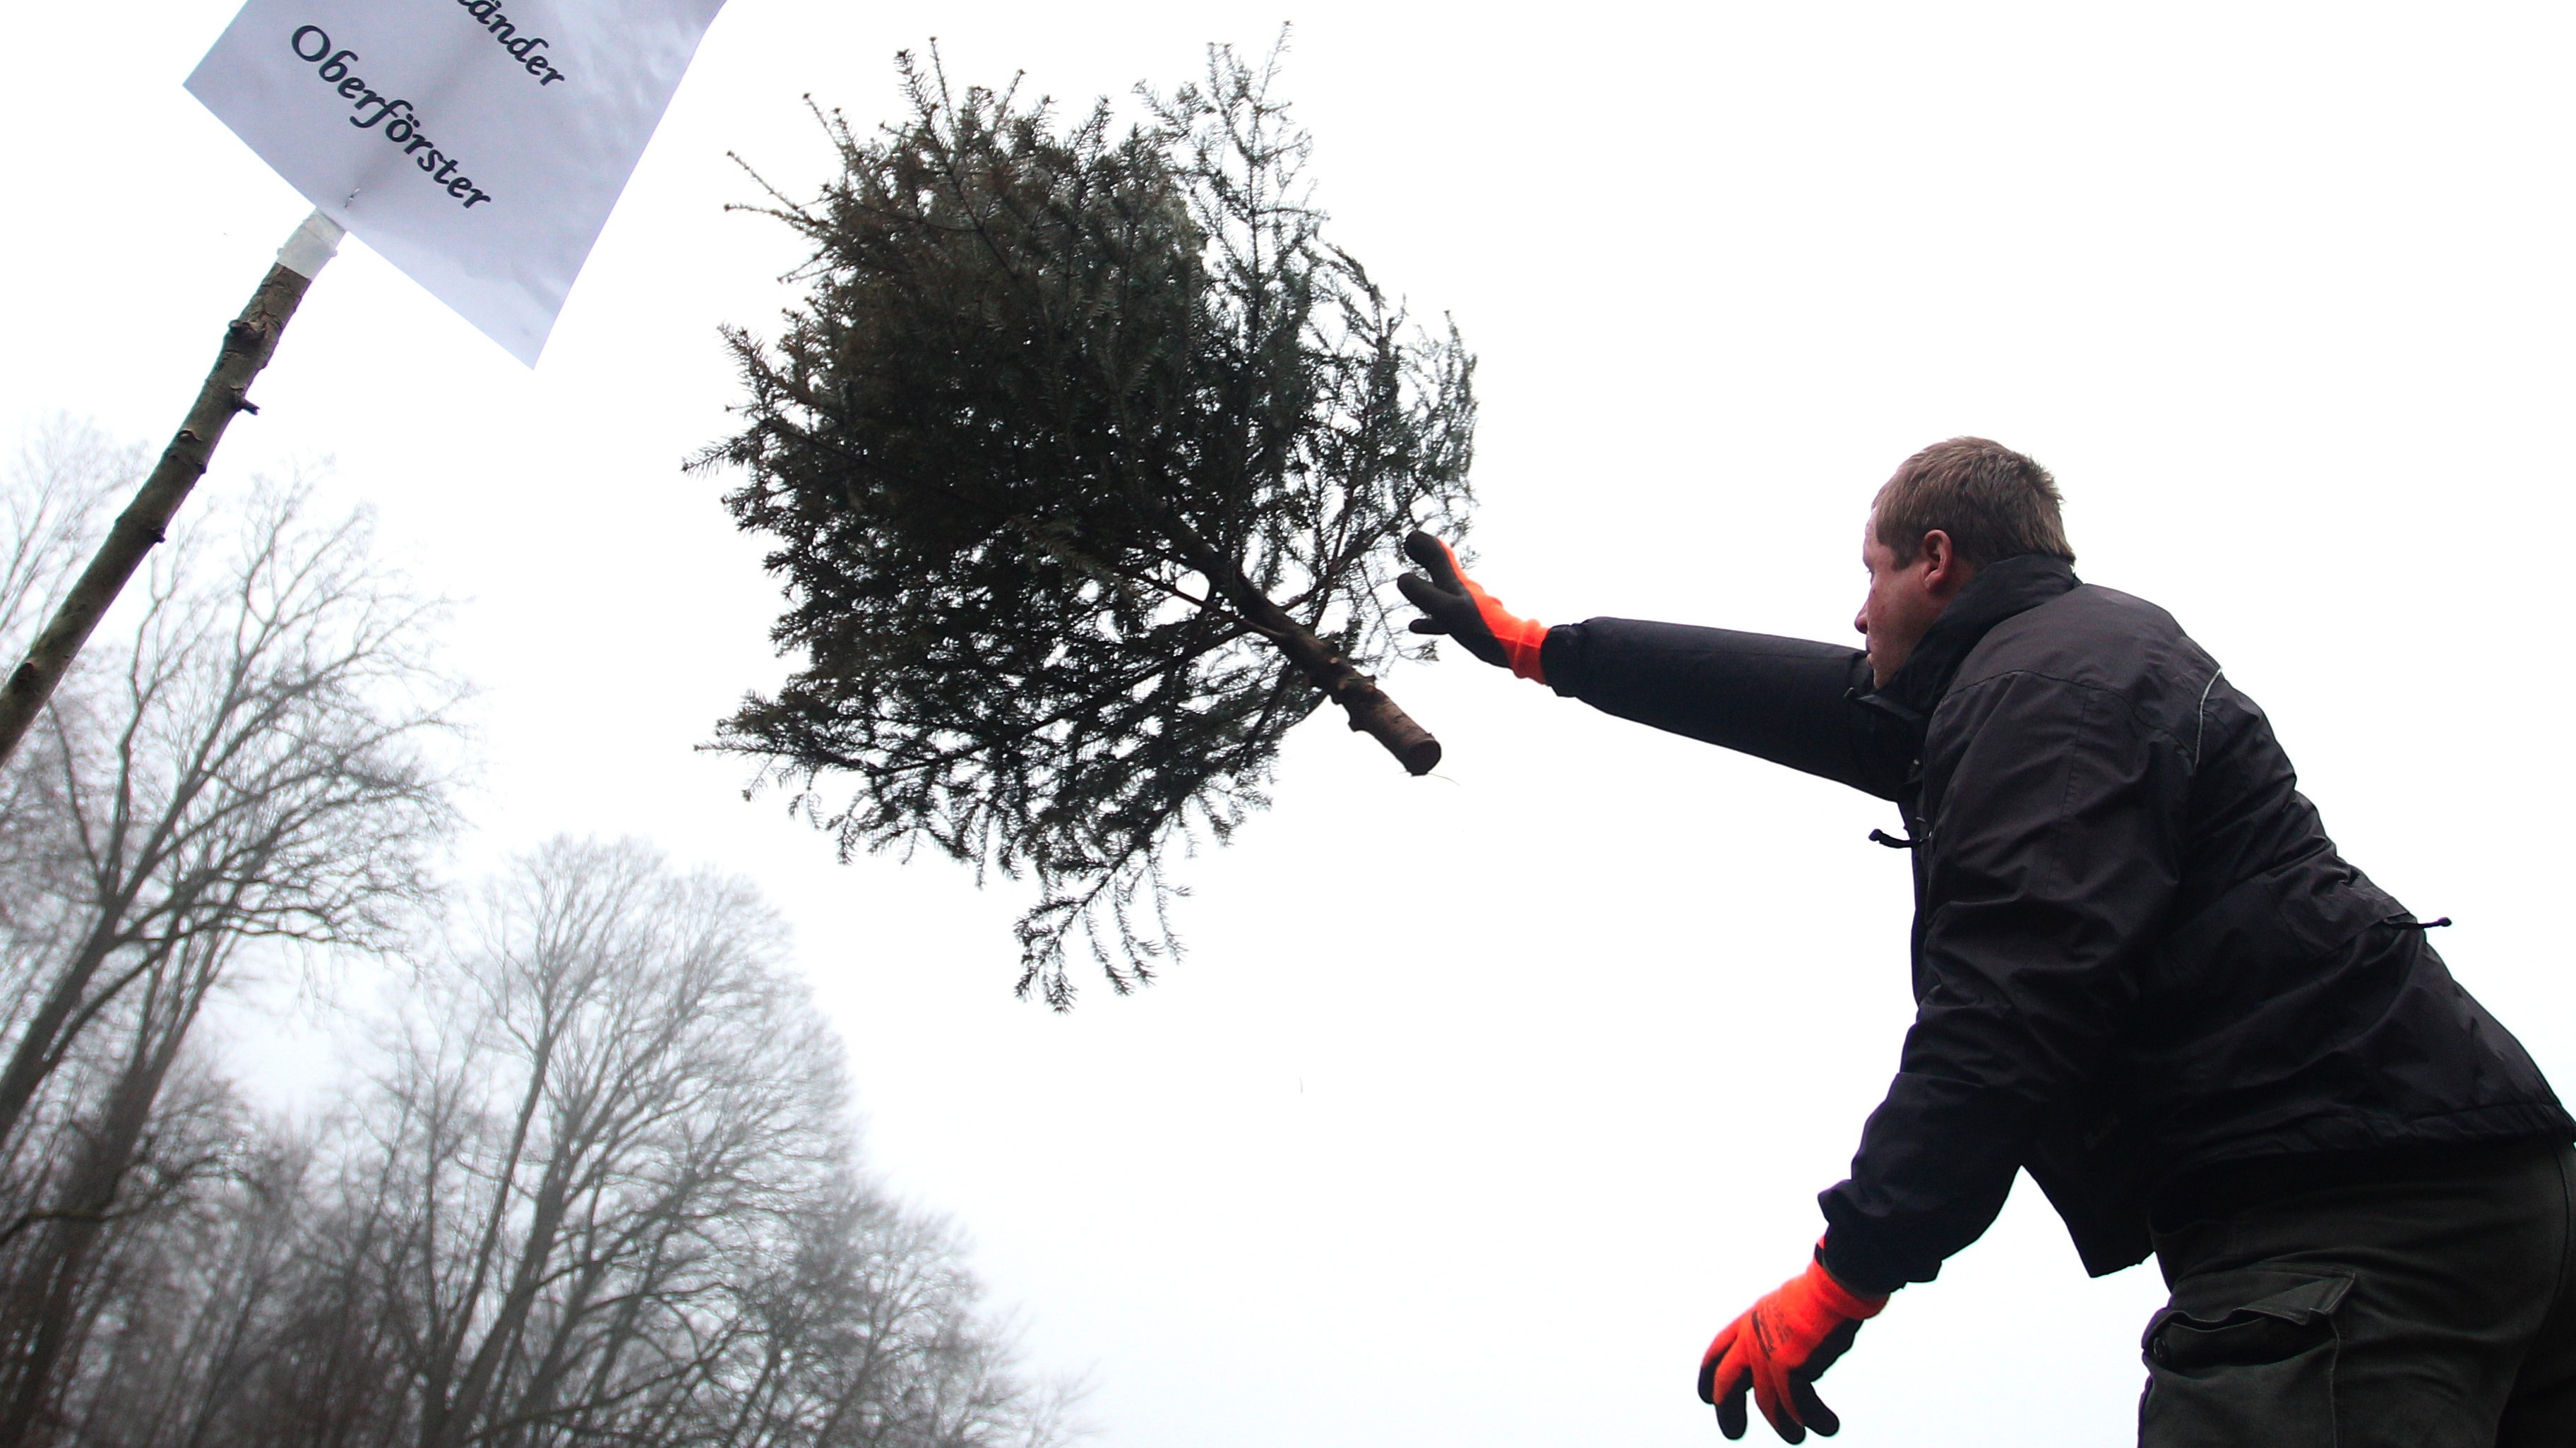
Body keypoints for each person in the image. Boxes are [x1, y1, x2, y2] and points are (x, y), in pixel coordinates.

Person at [1397, 437, 2576, 1447]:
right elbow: (1800, 696)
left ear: (1937, 561)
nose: (1857, 615)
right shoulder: (2069, 659)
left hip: (2350, 1227)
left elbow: (2012, 1000)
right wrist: (1542, 648)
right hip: (2481, 1184)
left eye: (1871, 574)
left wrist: (1848, 1271)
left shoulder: (2043, 702)